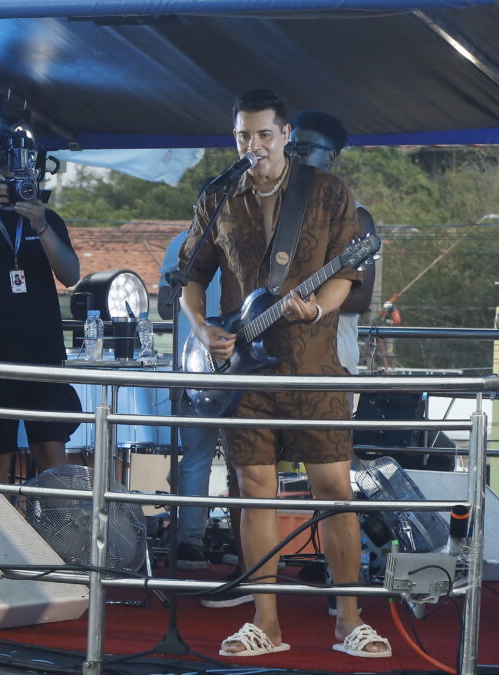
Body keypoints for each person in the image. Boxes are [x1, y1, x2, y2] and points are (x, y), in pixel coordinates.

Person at [180, 89, 391, 658]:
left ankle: (350, 620)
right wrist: (201, 329)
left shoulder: (327, 192)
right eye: (243, 136)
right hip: (243, 369)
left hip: (313, 364)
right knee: (254, 490)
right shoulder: (219, 196)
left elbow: (347, 272)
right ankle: (265, 624)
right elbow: (190, 275)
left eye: (264, 135)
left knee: (334, 490)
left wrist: (317, 309)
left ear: (286, 135)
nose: (253, 145)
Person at [0, 119, 82, 483]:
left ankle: (58, 522)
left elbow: (71, 274)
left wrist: (41, 225)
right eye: (4, 169)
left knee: (53, 457)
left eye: (20, 168)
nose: (13, 177)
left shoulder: (47, 217)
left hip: (43, 352)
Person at [288, 109, 377, 377]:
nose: (293, 156)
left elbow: (360, 300)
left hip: (332, 361)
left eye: (304, 149)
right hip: (278, 358)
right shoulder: (276, 212)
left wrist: (303, 300)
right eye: (289, 148)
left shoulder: (356, 217)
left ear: (330, 157)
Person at [159, 230, 223, 571]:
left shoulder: (178, 243)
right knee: (245, 459)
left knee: (196, 456)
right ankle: (242, 540)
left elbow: (163, 307)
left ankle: (190, 539)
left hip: (190, 361)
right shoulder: (242, 239)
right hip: (233, 357)